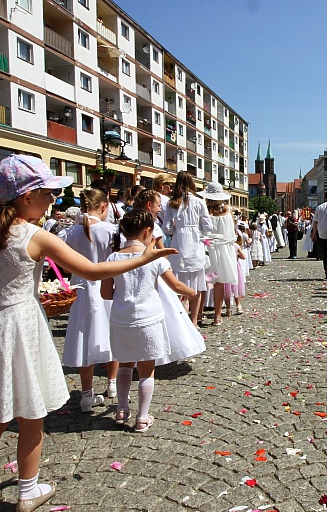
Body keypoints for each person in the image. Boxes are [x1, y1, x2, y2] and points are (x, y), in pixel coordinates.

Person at [0, 155, 175, 512]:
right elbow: (94, 271)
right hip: (18, 324)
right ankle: (28, 488)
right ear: (27, 196)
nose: (53, 200)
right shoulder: (33, 235)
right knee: (31, 411)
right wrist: (145, 258)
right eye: (48, 193)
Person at [102, 210, 198, 432]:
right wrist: (191, 293)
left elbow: (106, 293)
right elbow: (175, 286)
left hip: (121, 319)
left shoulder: (113, 258)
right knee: (146, 369)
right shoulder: (155, 258)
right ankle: (142, 417)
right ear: (148, 232)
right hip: (149, 319)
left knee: (125, 364)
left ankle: (122, 409)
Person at [60, 188, 119, 412]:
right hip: (107, 286)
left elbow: (58, 262)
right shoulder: (110, 230)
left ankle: (86, 393)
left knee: (84, 338)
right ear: (104, 207)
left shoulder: (69, 232)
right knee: (112, 334)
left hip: (81, 288)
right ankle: (112, 384)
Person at [162, 171, 210, 326]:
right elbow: (207, 226)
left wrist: (178, 226)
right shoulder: (199, 201)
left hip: (179, 243)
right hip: (195, 244)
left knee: (178, 283)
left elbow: (167, 228)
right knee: (196, 285)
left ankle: (180, 320)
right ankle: (194, 320)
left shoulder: (172, 203)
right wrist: (197, 228)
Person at [201, 182, 239, 326]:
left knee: (203, 281)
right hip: (223, 249)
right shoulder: (227, 210)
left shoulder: (205, 209)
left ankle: (199, 313)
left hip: (208, 247)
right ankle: (217, 315)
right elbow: (232, 231)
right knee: (219, 283)